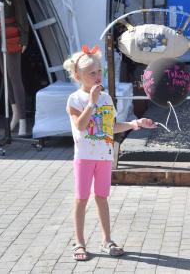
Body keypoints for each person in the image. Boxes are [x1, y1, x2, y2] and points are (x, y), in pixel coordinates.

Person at [63, 45, 157, 261]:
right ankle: (79, 242)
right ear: (78, 76)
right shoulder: (75, 99)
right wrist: (91, 102)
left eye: (99, 71)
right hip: (85, 157)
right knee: (81, 198)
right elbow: (81, 126)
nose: (97, 76)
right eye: (91, 73)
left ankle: (107, 240)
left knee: (102, 197)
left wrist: (135, 123)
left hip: (105, 157)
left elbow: (110, 127)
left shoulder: (106, 98)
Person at [0, 0, 28, 135]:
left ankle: (23, 120)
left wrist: (24, 36)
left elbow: (21, 8)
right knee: (5, 74)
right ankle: (15, 112)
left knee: (14, 76)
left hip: (10, 27)